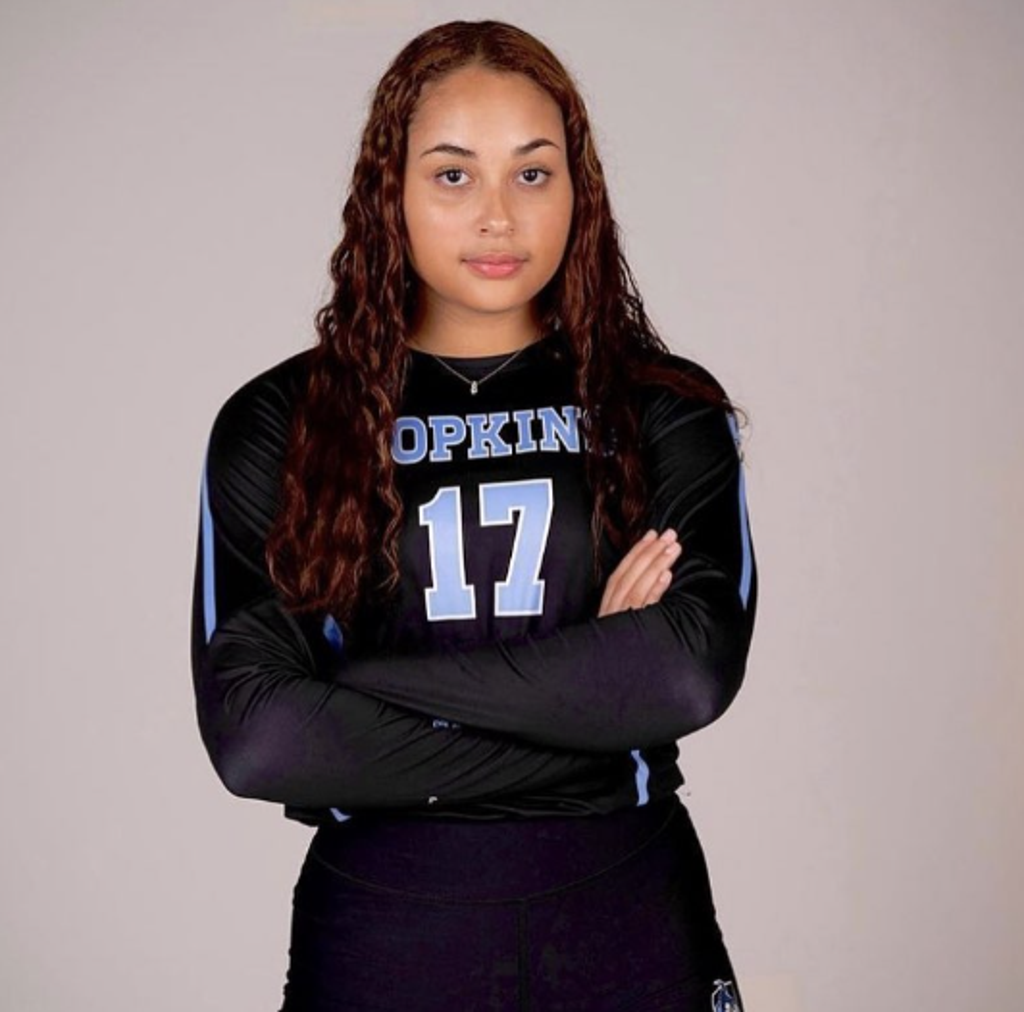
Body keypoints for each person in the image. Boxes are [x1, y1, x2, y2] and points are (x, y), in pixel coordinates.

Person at [191, 19, 756, 1012]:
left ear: (579, 191)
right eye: (453, 175)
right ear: (390, 192)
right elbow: (260, 740)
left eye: (532, 174)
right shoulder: (284, 422)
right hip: (387, 933)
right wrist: (589, 694)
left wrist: (351, 685)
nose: (498, 216)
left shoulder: (662, 407)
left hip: (626, 919)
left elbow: (682, 672)